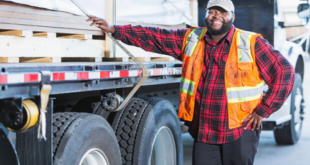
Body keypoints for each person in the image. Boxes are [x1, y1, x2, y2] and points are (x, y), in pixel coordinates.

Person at [86, 0, 295, 164]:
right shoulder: (191, 39)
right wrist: (116, 30)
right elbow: (154, 37)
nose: (216, 16)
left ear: (232, 16)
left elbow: (285, 72)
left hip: (240, 129)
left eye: (222, 12)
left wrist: (263, 110)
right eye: (212, 11)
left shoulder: (250, 42)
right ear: (206, 15)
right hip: (204, 130)